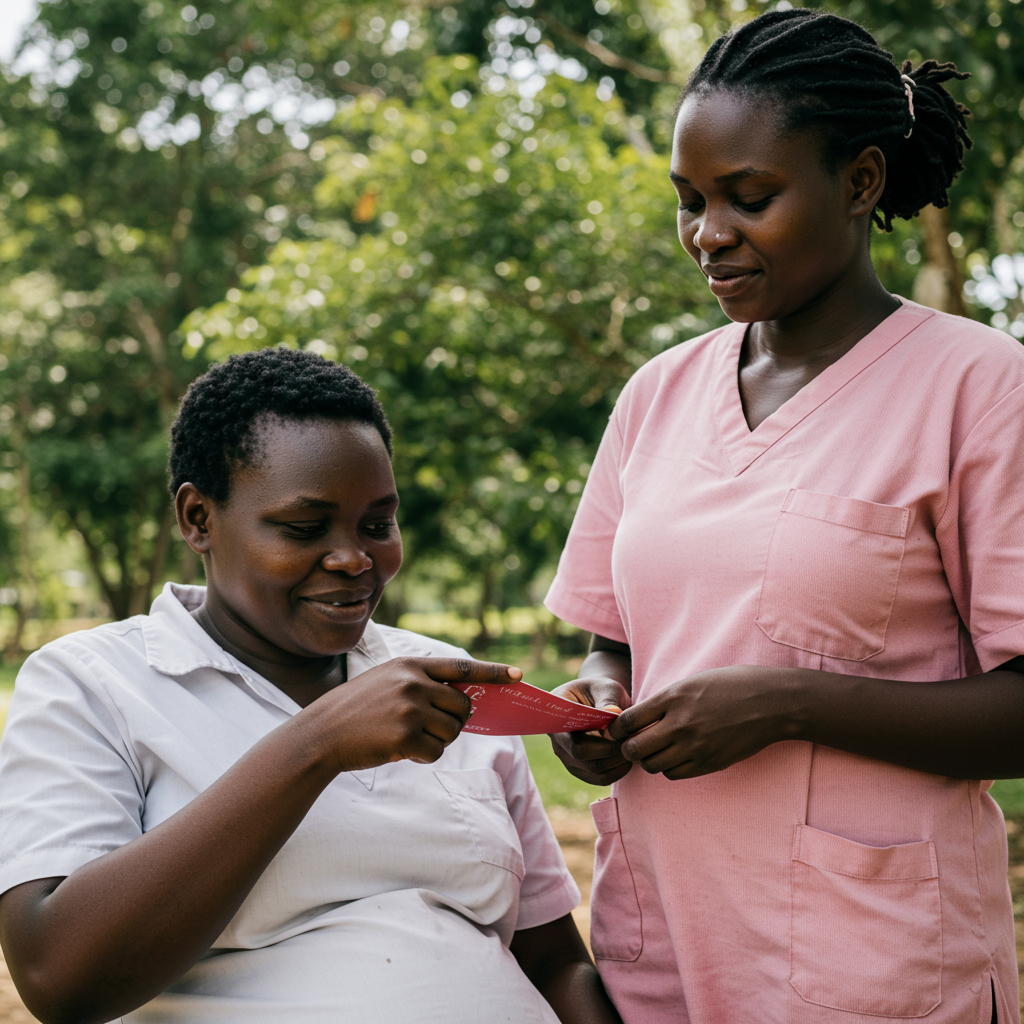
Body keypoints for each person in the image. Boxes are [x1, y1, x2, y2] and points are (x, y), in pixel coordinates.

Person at [543, 9, 1024, 1024]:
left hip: (870, 963)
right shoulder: (657, 394)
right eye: (690, 201)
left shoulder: (981, 390)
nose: (708, 234)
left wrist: (791, 704)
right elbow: (614, 635)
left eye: (748, 198)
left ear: (859, 182)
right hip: (664, 945)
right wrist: (598, 699)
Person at [0, 347, 623, 1024]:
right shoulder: (94, 683)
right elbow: (58, 977)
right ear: (198, 519)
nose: (354, 558)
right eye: (304, 528)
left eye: (377, 525)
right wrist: (318, 743)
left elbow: (553, 961)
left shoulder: (448, 677)